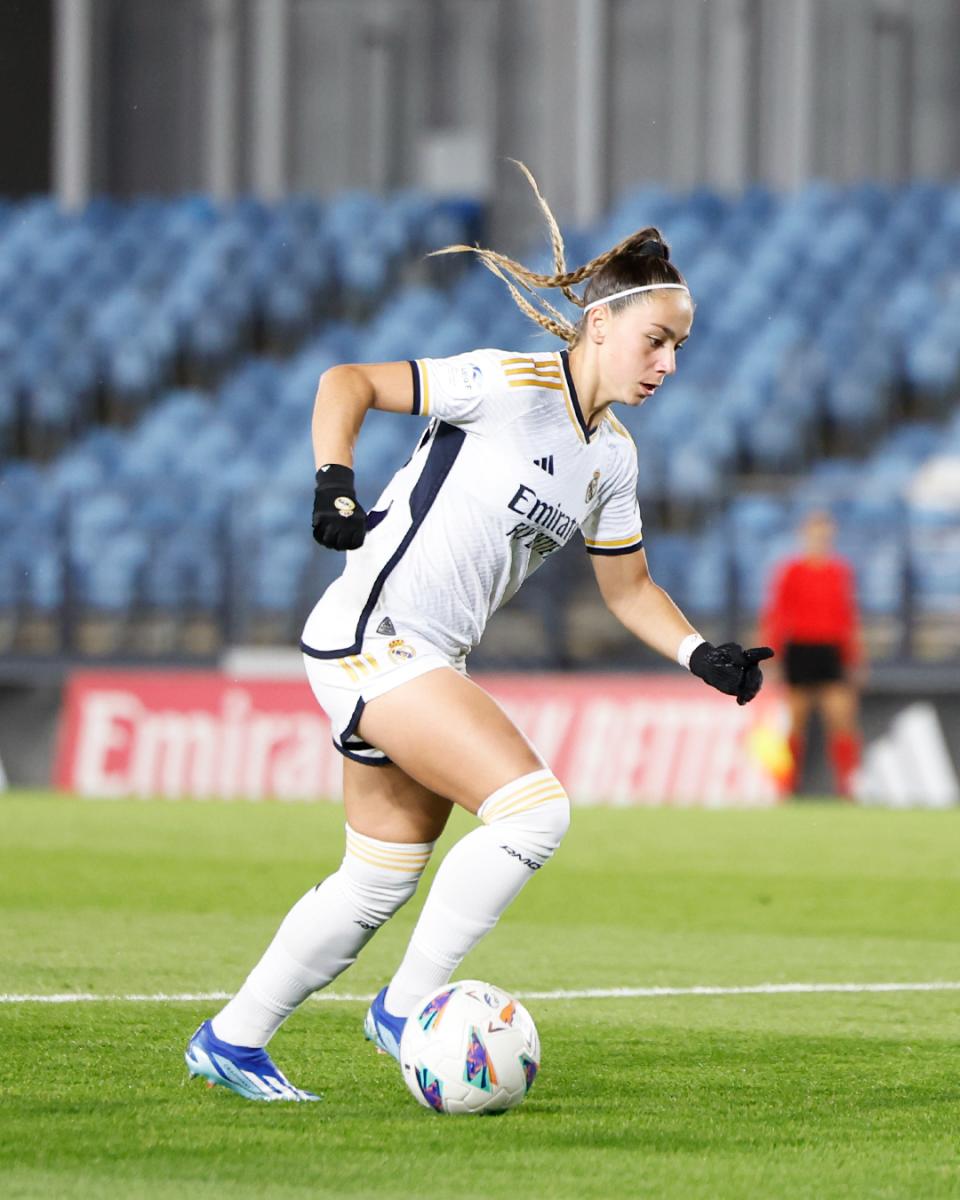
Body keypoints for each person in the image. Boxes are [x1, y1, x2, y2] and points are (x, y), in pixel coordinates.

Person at [185, 163, 774, 1101]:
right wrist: (333, 480)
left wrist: (700, 653)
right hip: (378, 635)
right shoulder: (507, 384)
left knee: (376, 878)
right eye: (656, 341)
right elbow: (346, 381)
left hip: (425, 655)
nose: (667, 364)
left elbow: (630, 591)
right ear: (601, 323)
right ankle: (407, 1005)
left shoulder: (612, 460)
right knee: (535, 811)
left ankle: (233, 1041)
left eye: (679, 349)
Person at [760, 509, 863, 798]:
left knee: (842, 721)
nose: (820, 538)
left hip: (830, 650)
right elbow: (776, 615)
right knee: (796, 723)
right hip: (801, 650)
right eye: (815, 532)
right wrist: (775, 655)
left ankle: (847, 787)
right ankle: (786, 787)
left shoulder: (840, 571)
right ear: (804, 535)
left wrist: (853, 657)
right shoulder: (791, 571)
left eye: (825, 533)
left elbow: (847, 617)